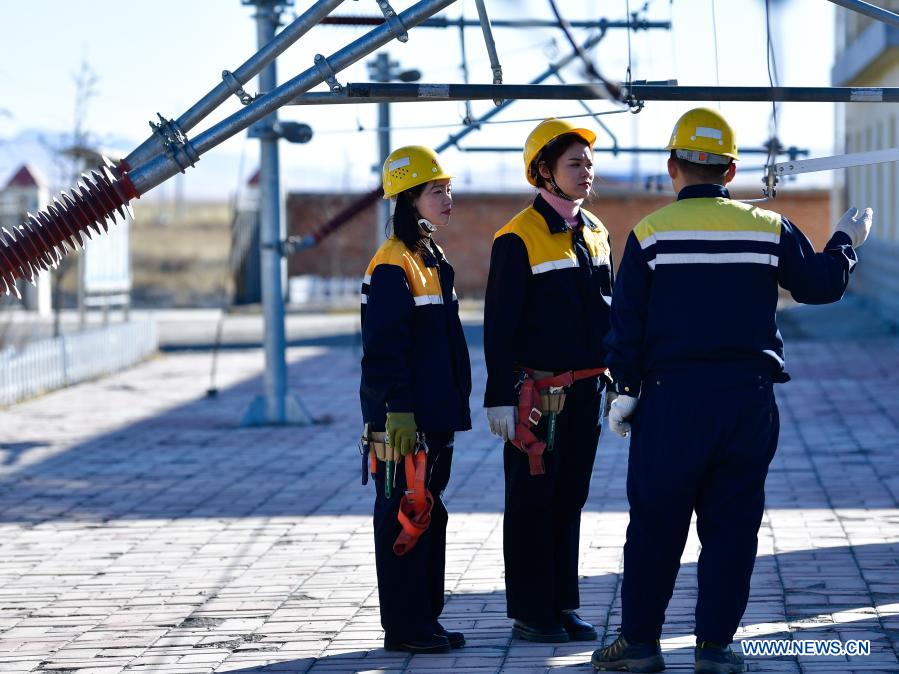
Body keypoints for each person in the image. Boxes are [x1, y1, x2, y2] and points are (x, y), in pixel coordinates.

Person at [591, 107, 872, 674]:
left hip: (669, 404)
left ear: (673, 167)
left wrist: (623, 390)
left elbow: (626, 324)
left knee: (655, 525)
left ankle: (640, 644)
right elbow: (819, 287)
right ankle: (715, 648)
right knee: (732, 529)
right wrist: (844, 240)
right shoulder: (768, 227)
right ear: (732, 170)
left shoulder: (649, 234)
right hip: (747, 402)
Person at [483, 118, 614, 643]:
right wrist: (498, 396)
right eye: (574, 164)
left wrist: (621, 382)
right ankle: (531, 612)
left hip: (587, 391)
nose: (586, 172)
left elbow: (609, 315)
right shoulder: (517, 237)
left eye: (589, 163)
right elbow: (499, 324)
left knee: (570, 497)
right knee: (532, 500)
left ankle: (562, 605)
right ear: (544, 171)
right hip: (537, 398)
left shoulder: (596, 231)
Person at [359, 145, 472, 654]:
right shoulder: (393, 263)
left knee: (429, 511)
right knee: (404, 511)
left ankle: (425, 619)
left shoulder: (429, 257)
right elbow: (384, 348)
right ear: (407, 198)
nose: (447, 199)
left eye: (448, 189)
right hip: (405, 418)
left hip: (434, 414)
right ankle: (404, 628)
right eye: (435, 191)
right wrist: (396, 412)